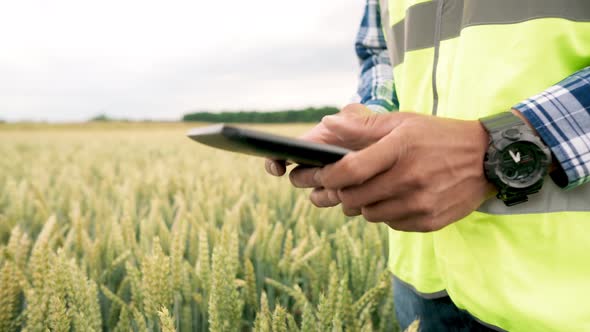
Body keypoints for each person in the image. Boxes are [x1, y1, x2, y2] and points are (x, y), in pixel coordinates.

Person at [266, 0, 590, 331]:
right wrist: (370, 117)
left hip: (562, 297)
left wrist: (500, 146)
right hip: (420, 278)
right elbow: (379, 52)